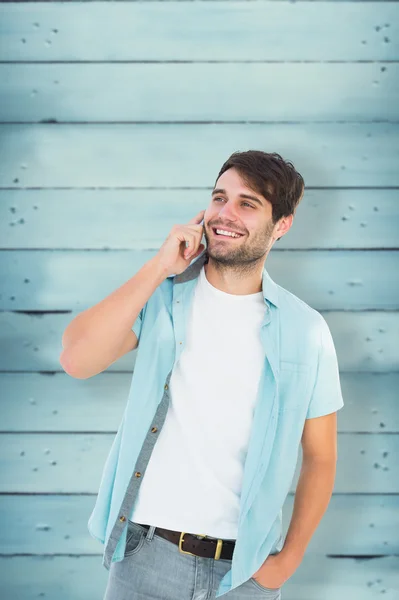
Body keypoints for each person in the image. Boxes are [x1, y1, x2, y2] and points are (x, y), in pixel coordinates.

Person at [60, 150, 344, 599]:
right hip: (145, 559)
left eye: (247, 203)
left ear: (282, 225)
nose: (224, 214)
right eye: (219, 198)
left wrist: (286, 562)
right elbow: (77, 359)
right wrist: (158, 268)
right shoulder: (161, 299)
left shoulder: (306, 330)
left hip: (245, 573)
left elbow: (321, 457)